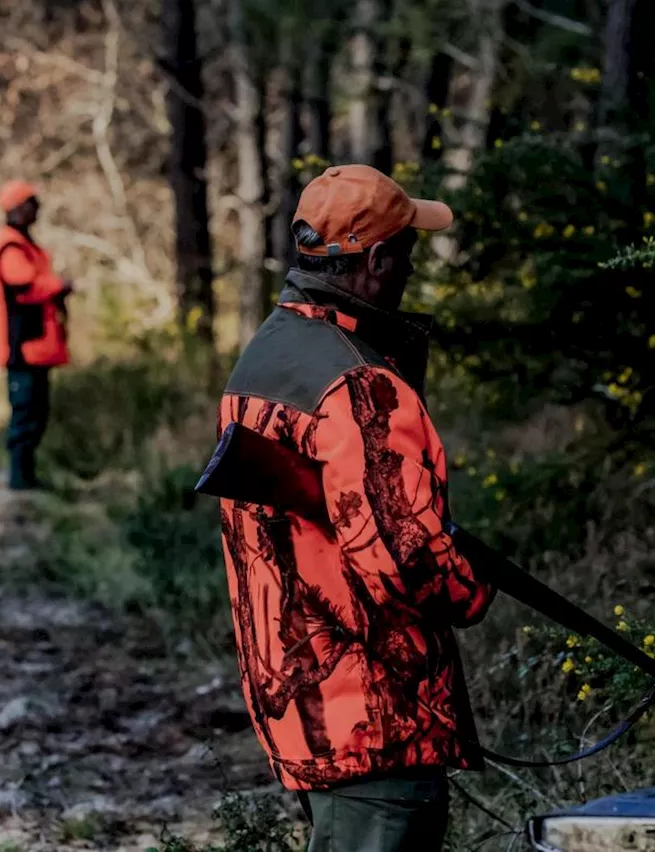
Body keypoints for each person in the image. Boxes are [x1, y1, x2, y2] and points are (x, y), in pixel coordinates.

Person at [214, 164, 497, 852]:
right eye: (405, 251)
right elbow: (406, 565)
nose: (409, 267)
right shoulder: (361, 385)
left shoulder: (267, 354)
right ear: (375, 262)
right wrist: (474, 582)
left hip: (303, 700)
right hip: (375, 719)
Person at [0, 180, 74, 491]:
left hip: (34, 347)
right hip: (22, 347)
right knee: (25, 414)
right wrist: (59, 286)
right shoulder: (10, 246)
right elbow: (23, 285)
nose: (37, 210)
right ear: (17, 209)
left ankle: (26, 478)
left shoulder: (22, 243)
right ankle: (20, 481)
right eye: (31, 204)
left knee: (36, 412)